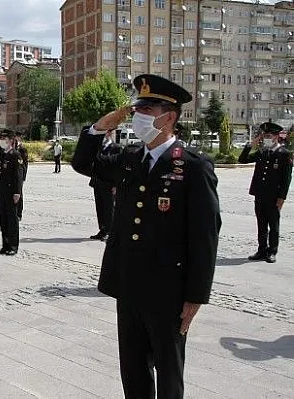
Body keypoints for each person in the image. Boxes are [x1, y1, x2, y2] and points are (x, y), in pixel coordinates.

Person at [71, 74, 221, 398]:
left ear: (169, 116)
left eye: (147, 108)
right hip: (128, 285)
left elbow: (205, 237)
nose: (138, 114)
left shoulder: (192, 167)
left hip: (169, 292)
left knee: (168, 373)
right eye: (137, 107)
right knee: (133, 371)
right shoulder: (129, 160)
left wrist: (195, 296)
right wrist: (100, 126)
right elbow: (83, 163)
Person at [238, 122, 293, 264]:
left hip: (274, 196)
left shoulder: (284, 154)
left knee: (273, 225)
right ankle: (262, 250)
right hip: (260, 194)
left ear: (276, 137)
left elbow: (286, 179)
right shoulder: (262, 152)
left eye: (268, 136)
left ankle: (272, 251)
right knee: (261, 223)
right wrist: (251, 144)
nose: (265, 138)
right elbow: (242, 159)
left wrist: (282, 198)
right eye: (264, 136)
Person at [0, 129, 25, 256]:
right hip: (1, 190)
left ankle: (13, 246)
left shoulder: (16, 155)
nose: (2, 141)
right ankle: (5, 245)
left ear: (10, 140)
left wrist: (17, 192)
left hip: (11, 191)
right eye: (1, 139)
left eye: (4, 139)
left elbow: (18, 176)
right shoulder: (3, 153)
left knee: (12, 220)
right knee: (3, 218)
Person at [89, 130, 121, 241]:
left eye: (108, 132)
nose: (105, 134)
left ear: (111, 133)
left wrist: (116, 184)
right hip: (97, 182)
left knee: (109, 208)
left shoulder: (116, 148)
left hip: (109, 184)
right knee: (100, 207)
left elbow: (118, 168)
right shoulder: (98, 147)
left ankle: (110, 231)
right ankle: (102, 229)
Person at [15, 134, 29, 221]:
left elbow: (25, 164)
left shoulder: (22, 149)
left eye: (17, 137)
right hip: (12, 176)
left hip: (20, 175)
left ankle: (19, 214)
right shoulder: (11, 149)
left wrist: (24, 177)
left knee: (19, 194)